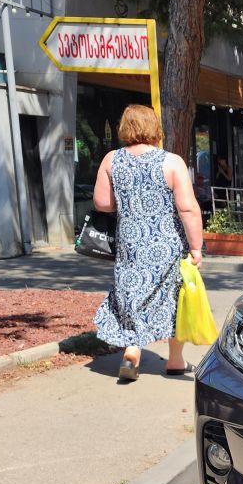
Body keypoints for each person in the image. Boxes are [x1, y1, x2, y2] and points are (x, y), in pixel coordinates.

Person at [92, 104, 204, 381]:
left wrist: (128, 201)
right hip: (168, 245)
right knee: (174, 298)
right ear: (155, 127)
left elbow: (102, 203)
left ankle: (132, 351)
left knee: (131, 293)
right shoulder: (172, 162)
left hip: (130, 243)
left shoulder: (111, 160)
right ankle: (175, 360)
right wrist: (196, 246)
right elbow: (187, 208)